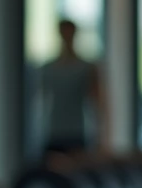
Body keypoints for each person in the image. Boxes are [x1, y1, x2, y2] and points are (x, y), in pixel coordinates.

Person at [39, 19, 110, 158]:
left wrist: (102, 138)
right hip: (54, 131)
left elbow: (99, 103)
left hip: (77, 132)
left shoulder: (85, 68)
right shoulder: (48, 69)